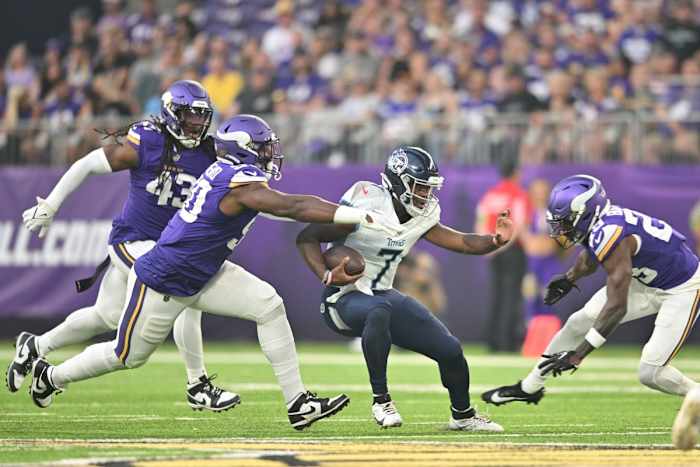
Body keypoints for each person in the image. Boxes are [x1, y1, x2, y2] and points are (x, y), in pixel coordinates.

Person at [27, 114, 400, 431]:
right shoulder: (237, 183)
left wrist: (341, 216)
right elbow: (294, 206)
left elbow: (286, 207)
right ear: (244, 149)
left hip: (204, 271)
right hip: (165, 277)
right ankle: (51, 377)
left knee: (268, 304)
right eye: (264, 147)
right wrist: (359, 215)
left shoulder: (234, 176)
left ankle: (298, 403)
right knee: (127, 356)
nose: (271, 154)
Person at [8, 80, 240, 411]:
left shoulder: (208, 152)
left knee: (105, 316)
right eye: (189, 116)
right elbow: (88, 163)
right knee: (186, 292)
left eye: (201, 117)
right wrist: (51, 205)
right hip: (134, 241)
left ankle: (35, 345)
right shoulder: (148, 140)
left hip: (166, 245)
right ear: (171, 115)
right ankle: (197, 384)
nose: (196, 124)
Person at [296, 146, 512, 431]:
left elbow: (461, 242)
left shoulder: (423, 215)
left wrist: (494, 241)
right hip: (343, 298)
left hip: (383, 295)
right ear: (399, 182)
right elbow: (307, 237)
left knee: (449, 348)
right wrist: (325, 275)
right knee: (378, 309)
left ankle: (463, 415)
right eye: (420, 187)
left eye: (428, 189)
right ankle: (381, 400)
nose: (426, 195)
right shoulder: (367, 206)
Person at [482, 175, 700, 406]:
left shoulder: (612, 232)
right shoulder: (600, 224)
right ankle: (529, 387)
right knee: (578, 321)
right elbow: (590, 255)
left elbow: (617, 307)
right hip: (648, 281)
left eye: (565, 222)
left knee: (650, 373)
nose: (560, 230)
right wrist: (569, 278)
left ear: (586, 214)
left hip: (682, 288)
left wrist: (579, 354)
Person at [475, 158, 530, 352]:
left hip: (492, 249)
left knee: (497, 295)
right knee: (511, 296)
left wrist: (488, 247)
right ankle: (507, 342)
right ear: (515, 173)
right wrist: (503, 246)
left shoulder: (490, 195)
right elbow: (518, 226)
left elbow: (480, 222)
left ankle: (493, 341)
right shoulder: (518, 194)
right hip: (511, 251)